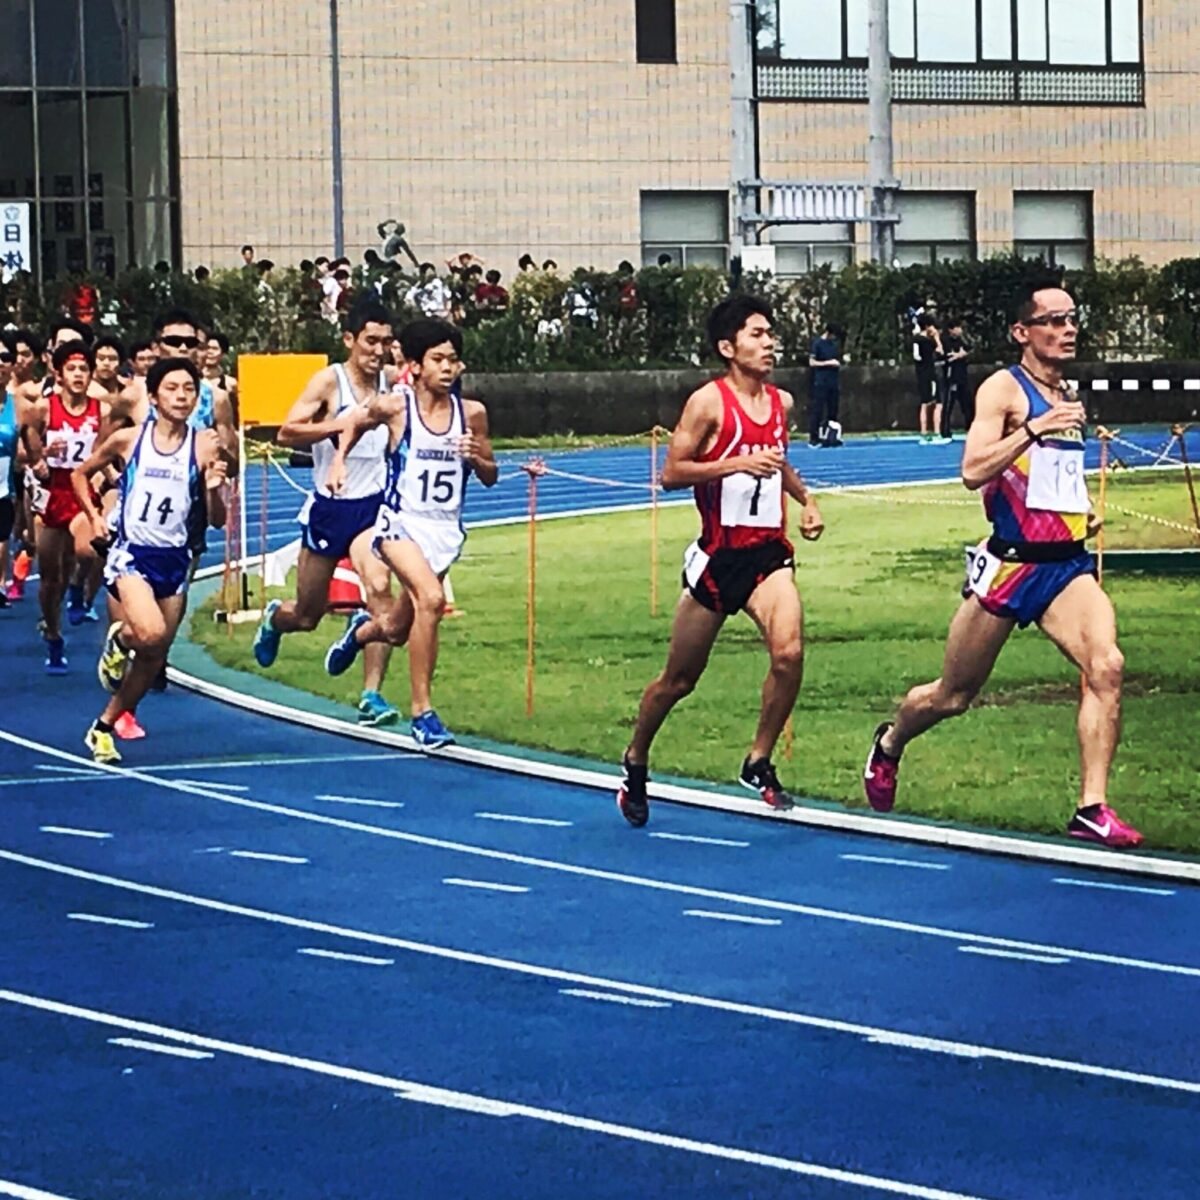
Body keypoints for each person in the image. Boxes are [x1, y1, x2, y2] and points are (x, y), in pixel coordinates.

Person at [864, 282, 1141, 848]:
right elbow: (972, 469)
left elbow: (1054, 476)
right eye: (1053, 320)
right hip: (1010, 565)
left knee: (1106, 666)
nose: (1067, 329)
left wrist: (1079, 513)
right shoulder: (1003, 390)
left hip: (1065, 566)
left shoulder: (1066, 390)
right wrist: (1035, 426)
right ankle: (890, 743)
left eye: (1072, 319)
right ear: (1022, 332)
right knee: (953, 695)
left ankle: (1092, 807)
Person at [616, 295, 825, 826]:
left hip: (768, 557)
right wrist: (737, 462)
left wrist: (807, 501)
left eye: (770, 333)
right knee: (679, 680)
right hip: (717, 560)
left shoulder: (782, 404)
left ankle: (758, 759)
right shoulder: (707, 403)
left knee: (790, 653)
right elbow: (672, 473)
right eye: (757, 334)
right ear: (728, 347)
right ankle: (636, 757)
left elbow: (776, 463)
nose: (769, 342)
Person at [322, 318, 497, 748]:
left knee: (399, 628)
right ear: (415, 366)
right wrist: (339, 460)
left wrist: (478, 458)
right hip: (398, 524)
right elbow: (353, 422)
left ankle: (361, 631)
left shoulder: (472, 414)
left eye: (454, 360)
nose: (448, 368)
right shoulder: (395, 407)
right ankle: (424, 713)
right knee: (432, 601)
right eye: (438, 359)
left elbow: (491, 476)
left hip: (443, 531)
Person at [251, 301, 400, 726]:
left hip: (373, 508)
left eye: (385, 341)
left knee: (379, 588)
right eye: (370, 340)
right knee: (308, 614)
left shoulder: (391, 384)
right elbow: (286, 432)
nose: (378, 350)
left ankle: (372, 696)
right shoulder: (329, 382)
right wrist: (341, 425)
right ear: (350, 340)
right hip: (329, 506)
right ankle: (276, 620)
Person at [80, 358, 227, 763]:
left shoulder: (204, 444)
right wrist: (95, 517)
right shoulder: (130, 440)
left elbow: (219, 519)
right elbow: (81, 473)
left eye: (188, 390)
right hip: (131, 554)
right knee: (147, 633)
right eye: (172, 389)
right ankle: (119, 638)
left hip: (175, 558)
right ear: (154, 396)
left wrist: (214, 488)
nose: (181, 397)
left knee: (155, 654)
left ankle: (104, 726)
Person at [23, 342, 109, 672]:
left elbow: (104, 451)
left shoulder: (100, 411)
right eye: (71, 369)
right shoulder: (43, 408)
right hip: (51, 494)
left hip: (81, 491)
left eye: (83, 369)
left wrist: (107, 475)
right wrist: (40, 456)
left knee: (89, 550)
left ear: (90, 375)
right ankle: (54, 636)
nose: (78, 375)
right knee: (48, 577)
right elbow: (28, 439)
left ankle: (78, 591)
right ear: (59, 374)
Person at [0, 334, 19, 605]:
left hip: (4, 486)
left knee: (2, 537)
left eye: (5, 358)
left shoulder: (20, 406)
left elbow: (31, 450)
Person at [807, 321, 844, 448]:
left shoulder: (833, 345)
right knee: (818, 409)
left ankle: (831, 436)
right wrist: (828, 363)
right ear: (829, 333)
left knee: (833, 410)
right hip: (821, 381)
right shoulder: (818, 344)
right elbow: (812, 362)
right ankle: (814, 437)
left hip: (833, 381)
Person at [939, 318, 973, 438]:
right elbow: (944, 357)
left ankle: (970, 427)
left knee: (968, 404)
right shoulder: (945, 341)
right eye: (957, 328)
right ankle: (945, 430)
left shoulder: (962, 341)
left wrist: (964, 355)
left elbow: (971, 349)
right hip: (951, 377)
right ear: (951, 330)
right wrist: (956, 356)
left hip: (962, 377)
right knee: (948, 405)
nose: (960, 330)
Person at [914, 316, 941, 443]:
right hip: (929, 373)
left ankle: (923, 433)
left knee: (924, 403)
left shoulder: (915, 339)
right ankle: (936, 433)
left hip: (920, 374)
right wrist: (936, 338)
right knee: (936, 403)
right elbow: (940, 351)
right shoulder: (927, 341)